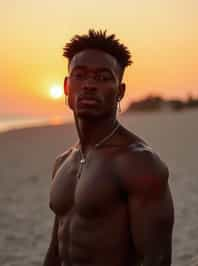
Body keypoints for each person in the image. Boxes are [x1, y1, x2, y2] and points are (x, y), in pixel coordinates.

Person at [43, 29, 174, 266]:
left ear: (120, 92)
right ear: (66, 87)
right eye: (79, 76)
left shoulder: (138, 162)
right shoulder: (62, 162)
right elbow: (55, 251)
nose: (89, 85)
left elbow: (157, 258)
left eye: (103, 78)